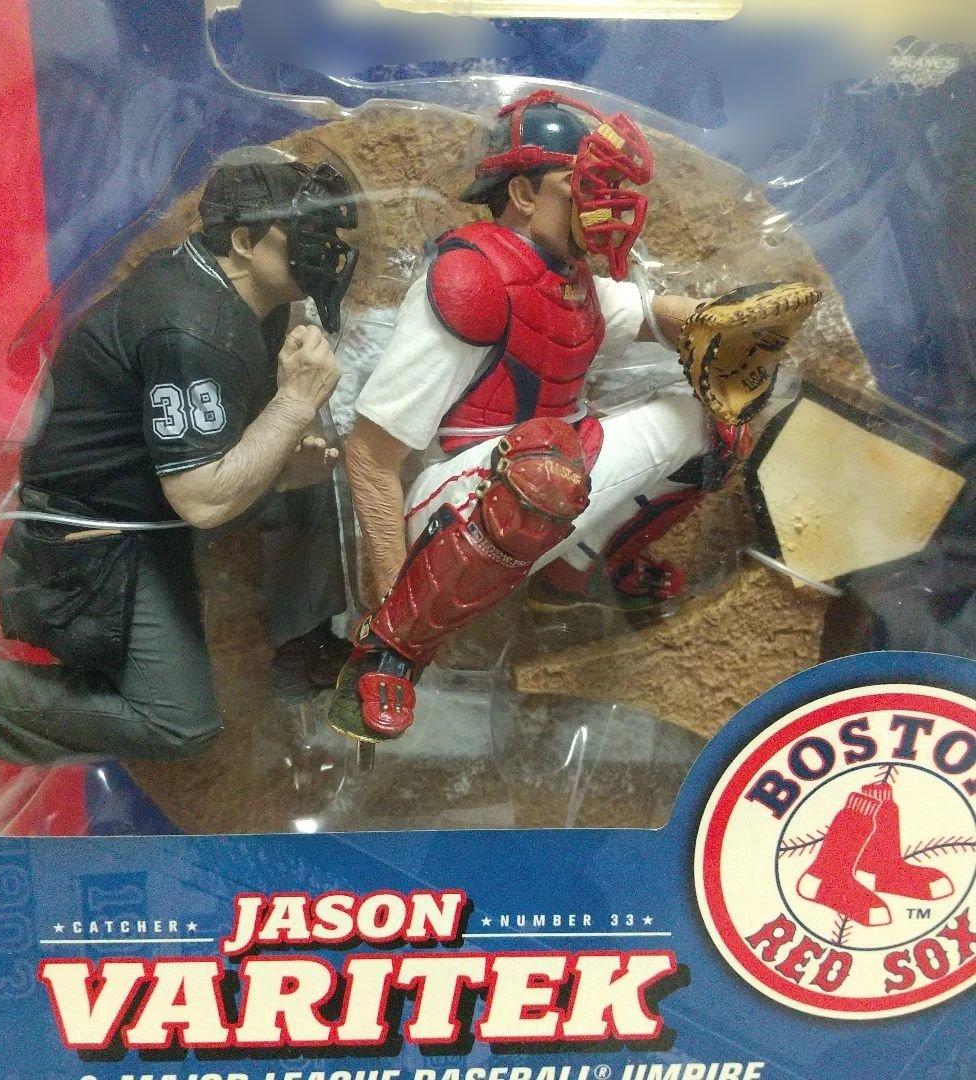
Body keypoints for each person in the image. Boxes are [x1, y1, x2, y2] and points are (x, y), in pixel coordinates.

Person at [327, 89, 778, 744]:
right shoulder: (473, 277)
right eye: (580, 187)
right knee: (547, 462)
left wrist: (722, 322)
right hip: (460, 504)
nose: (600, 206)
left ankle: (579, 574)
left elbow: (649, 314)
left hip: (550, 477)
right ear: (522, 194)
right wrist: (391, 605)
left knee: (716, 423)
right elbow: (370, 457)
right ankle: (388, 657)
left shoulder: (568, 277)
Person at [0, 151, 359, 774]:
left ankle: (305, 645)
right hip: (95, 538)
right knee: (178, 723)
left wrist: (278, 465)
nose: (323, 249)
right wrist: (296, 401)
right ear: (245, 241)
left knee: (307, 480)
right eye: (304, 232)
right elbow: (201, 499)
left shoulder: (245, 299)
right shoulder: (190, 326)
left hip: (149, 505)